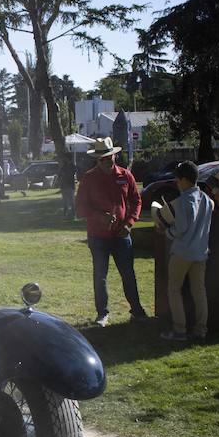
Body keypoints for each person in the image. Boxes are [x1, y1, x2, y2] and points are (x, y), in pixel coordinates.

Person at [75, 137, 148, 327]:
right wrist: (100, 216)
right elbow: (81, 209)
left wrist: (129, 223)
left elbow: (136, 201)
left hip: (122, 235)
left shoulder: (125, 175)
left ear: (114, 155)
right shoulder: (89, 179)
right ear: (97, 160)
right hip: (98, 237)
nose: (106, 161)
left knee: (128, 274)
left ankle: (137, 311)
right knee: (100, 276)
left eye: (109, 157)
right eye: (102, 159)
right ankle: (102, 314)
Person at [161, 161, 214, 342]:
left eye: (177, 178)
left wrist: (167, 231)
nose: (176, 182)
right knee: (199, 291)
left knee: (174, 289)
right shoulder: (206, 199)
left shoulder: (184, 201)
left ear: (184, 179)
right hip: (200, 252)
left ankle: (179, 329)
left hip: (183, 252)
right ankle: (200, 329)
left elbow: (181, 228)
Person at [58, 154, 77, 219]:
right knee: (65, 202)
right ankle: (65, 215)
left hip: (70, 186)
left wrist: (65, 174)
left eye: (66, 158)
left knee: (72, 202)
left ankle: (73, 215)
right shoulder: (64, 166)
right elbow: (59, 175)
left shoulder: (73, 166)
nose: (64, 160)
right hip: (64, 186)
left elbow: (72, 174)